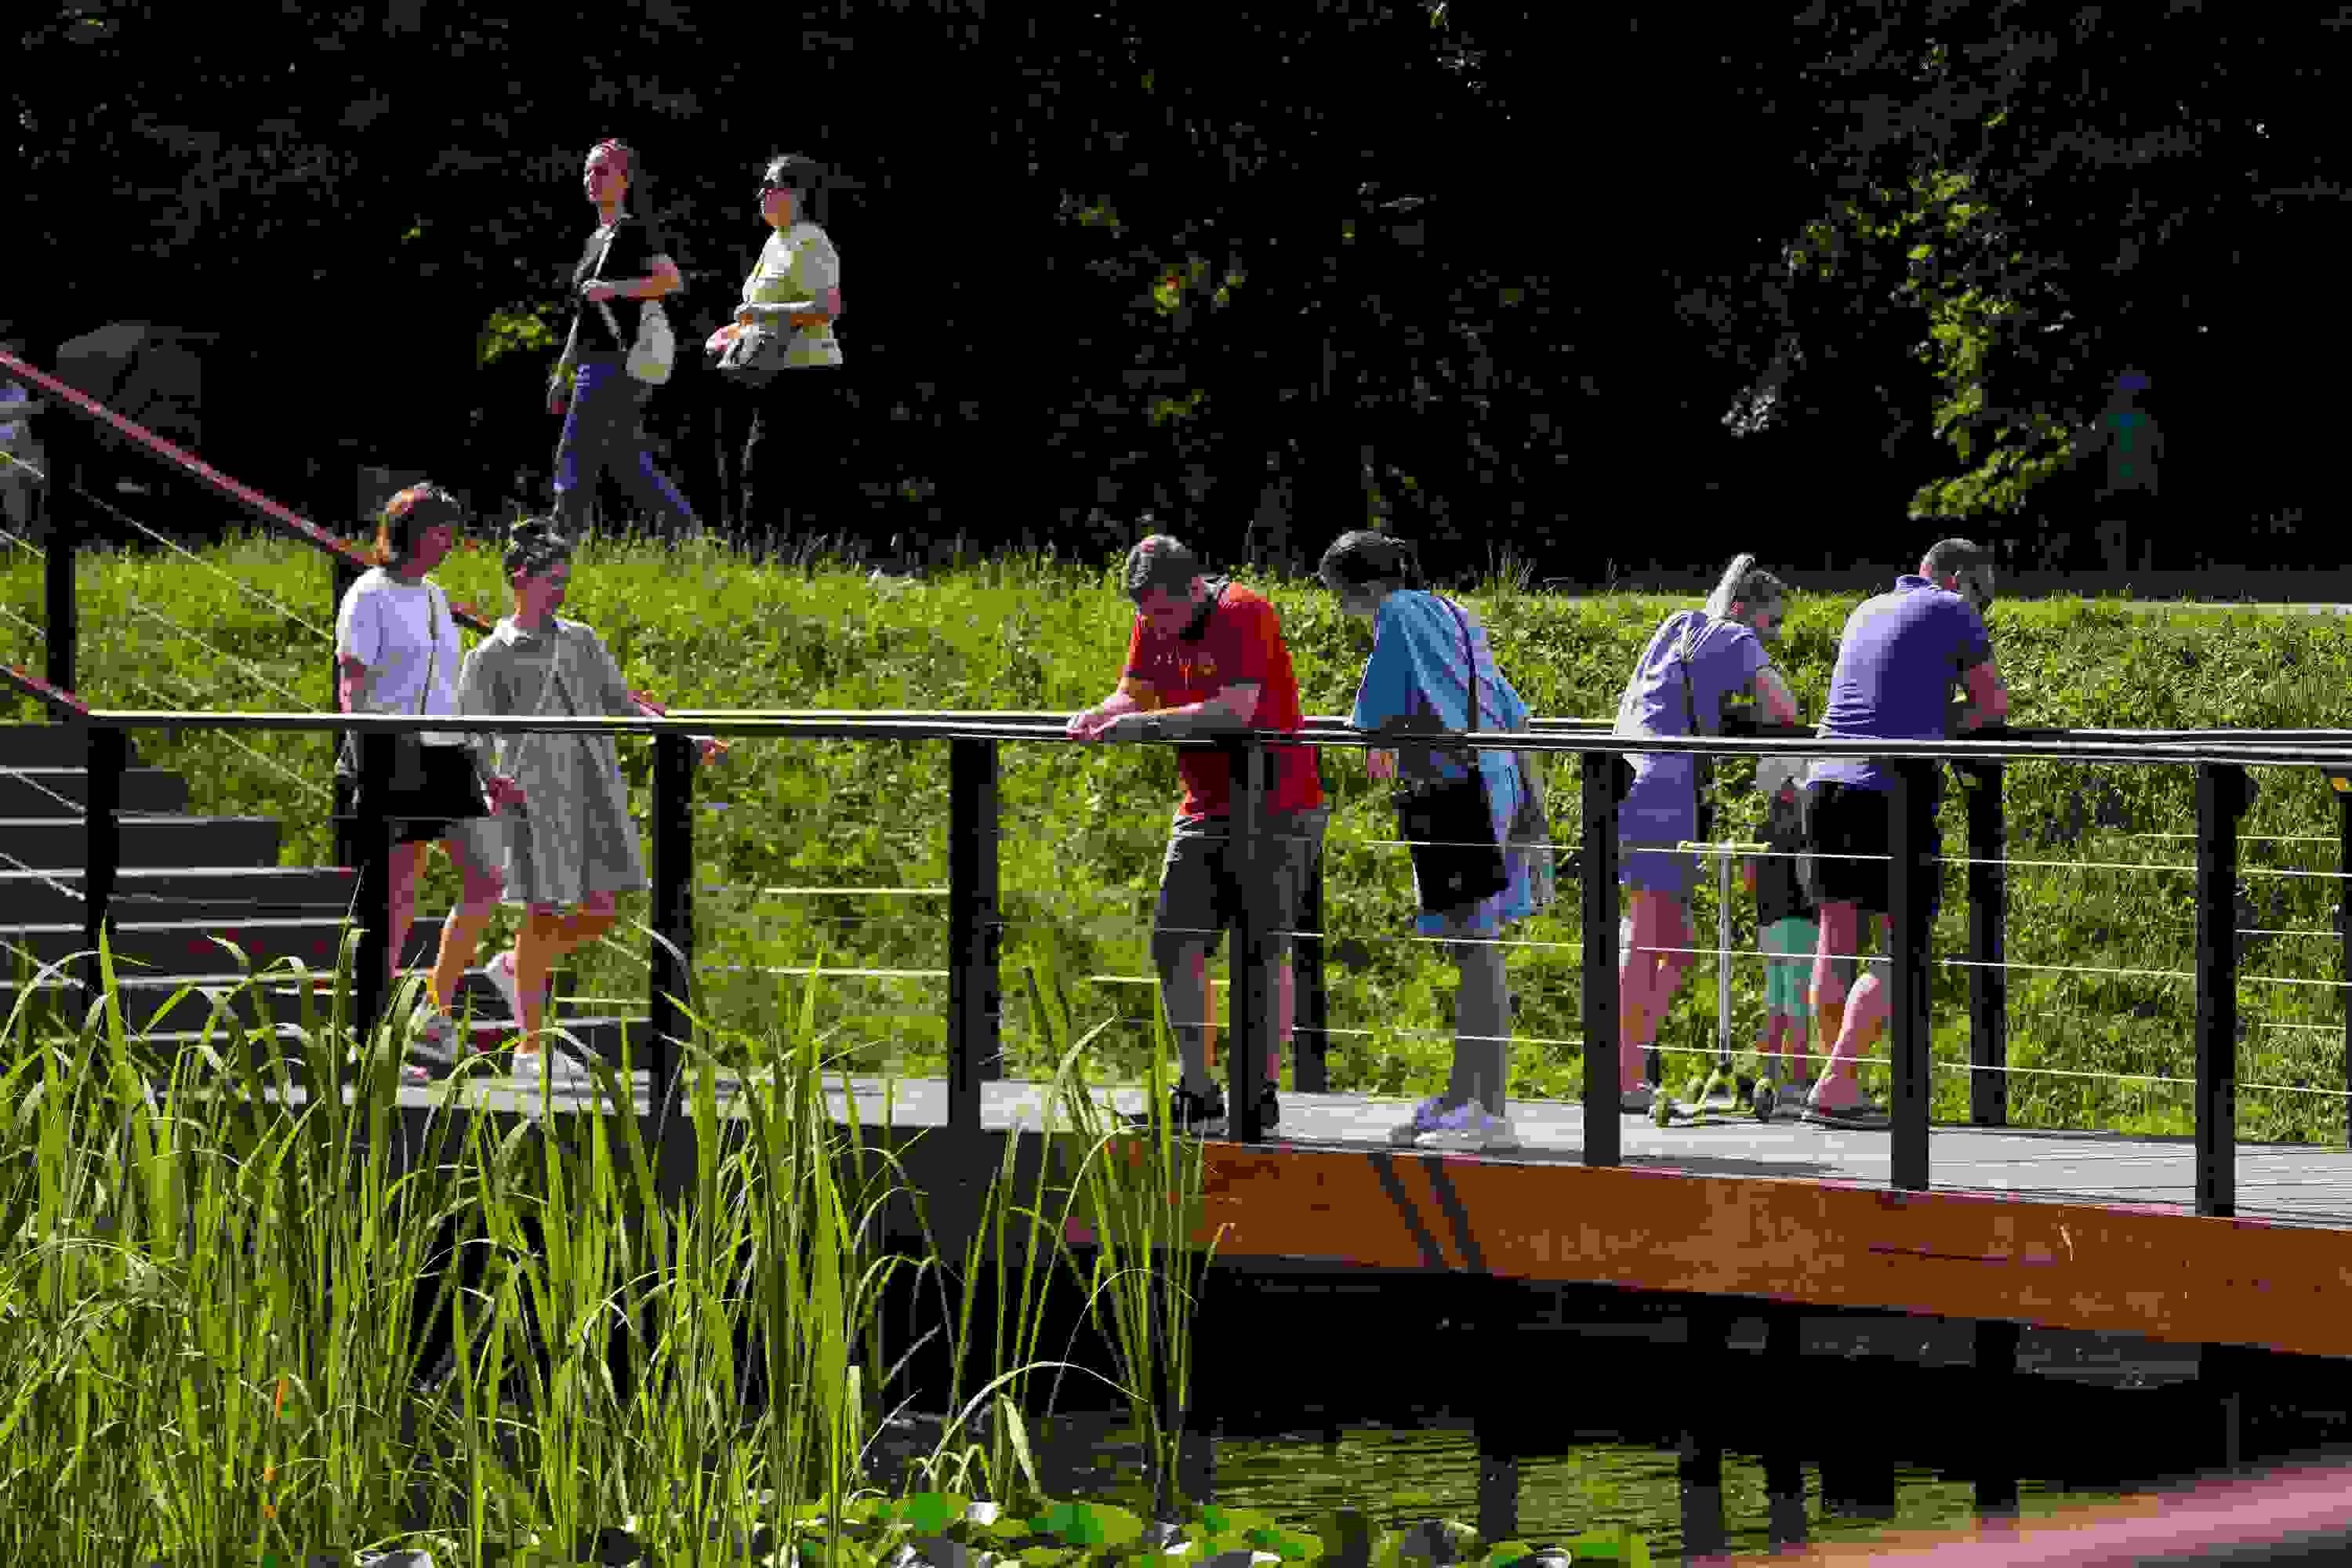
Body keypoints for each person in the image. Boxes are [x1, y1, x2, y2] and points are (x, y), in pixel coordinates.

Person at [1065, 535, 1328, 1137]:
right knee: (1173, 941)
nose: (1153, 624)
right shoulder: (1152, 619)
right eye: (1144, 614)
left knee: (1260, 951)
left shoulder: (1243, 611)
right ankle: (1199, 1093)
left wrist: (1144, 727)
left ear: (1194, 589)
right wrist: (1101, 715)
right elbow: (1133, 692)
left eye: (1161, 612)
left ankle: (1256, 1099)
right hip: (1204, 805)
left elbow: (1237, 709)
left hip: (1277, 803)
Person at [454, 517, 728, 1070]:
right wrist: (489, 778)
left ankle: (513, 968)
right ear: (519, 578)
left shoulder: (580, 640)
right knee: (543, 912)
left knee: (603, 907)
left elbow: (623, 704)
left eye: (564, 579)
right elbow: (469, 728)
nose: (560, 590)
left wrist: (684, 737)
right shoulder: (490, 655)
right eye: (551, 579)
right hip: (534, 791)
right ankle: (531, 1047)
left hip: (593, 782)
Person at [1319, 530, 1554, 1152]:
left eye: (1340, 599)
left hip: (1456, 789)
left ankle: (1489, 1110)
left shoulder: (1396, 612)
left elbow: (1370, 719)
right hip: (1493, 778)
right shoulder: (1455, 611)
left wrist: (1378, 740)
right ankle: (1463, 1094)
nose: (1345, 615)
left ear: (1364, 588)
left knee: (1477, 951)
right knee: (1475, 948)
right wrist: (1537, 805)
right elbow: (1514, 710)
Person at [1802, 538, 2009, 1127]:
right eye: (1985, 599)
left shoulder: (1866, 609)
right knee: (1905, 946)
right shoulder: (1953, 611)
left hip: (1826, 785)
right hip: (1891, 789)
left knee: (1835, 939)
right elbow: (1991, 706)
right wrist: (1936, 722)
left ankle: (1835, 1088)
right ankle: (1838, 1082)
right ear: (1960, 580)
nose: (1983, 612)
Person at [333, 484, 528, 1076]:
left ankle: (432, 1009)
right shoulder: (368, 594)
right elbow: (351, 684)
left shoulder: (437, 598)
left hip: (447, 753)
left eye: (451, 530)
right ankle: (371, 1045)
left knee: (486, 876)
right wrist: (368, 757)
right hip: (392, 752)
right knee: (394, 902)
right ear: (409, 531)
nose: (449, 541)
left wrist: (485, 767)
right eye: (440, 530)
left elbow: (451, 691)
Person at [1610, 555, 1802, 1113]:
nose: (1774, 636)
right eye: (1772, 622)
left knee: (1672, 943)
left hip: (1631, 780)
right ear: (1744, 608)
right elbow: (1785, 709)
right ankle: (1620, 1074)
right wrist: (1743, 712)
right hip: (1669, 793)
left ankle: (1625, 1061)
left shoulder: (1677, 624)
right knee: (1651, 940)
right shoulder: (1735, 638)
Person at [546, 138, 702, 543]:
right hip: (589, 362)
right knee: (626, 460)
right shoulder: (597, 237)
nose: (591, 178)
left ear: (626, 179)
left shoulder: (634, 229)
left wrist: (614, 288)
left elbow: (670, 280)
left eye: (603, 170)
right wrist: (562, 372)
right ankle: (689, 537)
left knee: (574, 456)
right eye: (588, 170)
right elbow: (585, 316)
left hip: (615, 362)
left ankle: (557, 547)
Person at [703, 152, 849, 553]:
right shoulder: (776, 241)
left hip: (808, 373)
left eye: (772, 185)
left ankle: (772, 558)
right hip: (773, 371)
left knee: (768, 470)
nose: (762, 194)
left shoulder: (810, 239)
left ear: (799, 194)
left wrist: (758, 313)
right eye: (763, 186)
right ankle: (771, 556)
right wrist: (734, 332)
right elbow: (764, 313)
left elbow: (827, 309)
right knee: (761, 469)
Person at [1744, 754, 1826, 1114]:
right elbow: (1807, 875)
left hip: (1768, 924)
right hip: (1799, 922)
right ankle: (1797, 1082)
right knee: (1798, 1008)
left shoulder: (1761, 828)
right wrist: (1821, 907)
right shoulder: (1804, 827)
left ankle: (1770, 1078)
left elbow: (1749, 878)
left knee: (1774, 1004)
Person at [0, 338, 44, 537]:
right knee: (10, 475)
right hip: (7, 455)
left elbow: (20, 429)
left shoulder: (16, 389)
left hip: (16, 454)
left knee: (19, 471)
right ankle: (15, 536)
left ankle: (29, 534)